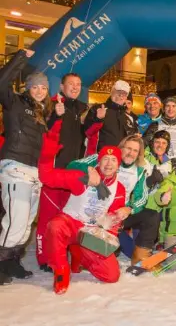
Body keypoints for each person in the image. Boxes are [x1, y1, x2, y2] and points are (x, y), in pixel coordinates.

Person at [38, 125, 130, 295]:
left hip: (91, 233)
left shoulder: (119, 189)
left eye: (113, 160)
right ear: (99, 161)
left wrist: (121, 214)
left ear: (118, 165)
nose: (109, 164)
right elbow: (46, 177)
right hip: (69, 224)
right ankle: (61, 270)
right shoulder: (81, 178)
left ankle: (80, 253)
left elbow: (113, 219)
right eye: (105, 159)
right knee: (55, 226)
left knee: (111, 276)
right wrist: (48, 154)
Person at [0, 49, 52, 285]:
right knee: (15, 220)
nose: (40, 91)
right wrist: (20, 57)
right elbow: (2, 82)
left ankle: (13, 261)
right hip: (15, 167)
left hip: (33, 172)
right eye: (35, 87)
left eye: (43, 88)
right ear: (27, 88)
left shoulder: (41, 113)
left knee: (27, 223)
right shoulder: (15, 103)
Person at [66, 135, 159, 262]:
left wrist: (129, 208)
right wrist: (90, 170)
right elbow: (72, 165)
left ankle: (141, 257)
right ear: (121, 148)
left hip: (120, 214)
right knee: (108, 251)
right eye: (128, 148)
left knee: (151, 215)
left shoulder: (139, 171)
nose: (131, 153)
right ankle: (90, 252)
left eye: (135, 151)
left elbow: (142, 197)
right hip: (97, 212)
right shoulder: (105, 158)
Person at [36, 72, 88, 272]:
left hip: (72, 174)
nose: (75, 87)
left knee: (66, 218)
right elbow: (44, 132)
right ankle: (45, 258)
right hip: (54, 171)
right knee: (48, 217)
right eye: (71, 83)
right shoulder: (51, 104)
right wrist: (55, 116)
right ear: (61, 86)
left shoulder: (80, 109)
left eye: (78, 84)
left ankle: (61, 254)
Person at [84, 80, 132, 154]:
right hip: (98, 157)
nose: (121, 95)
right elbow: (87, 132)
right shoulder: (98, 109)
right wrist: (98, 119)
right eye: (118, 92)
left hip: (118, 157)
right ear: (112, 92)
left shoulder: (128, 117)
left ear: (126, 97)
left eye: (124, 94)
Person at [144, 97, 176, 164]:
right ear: (164, 109)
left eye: (173, 106)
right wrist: (164, 160)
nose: (170, 109)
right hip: (160, 163)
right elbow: (146, 145)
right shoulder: (155, 125)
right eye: (168, 106)